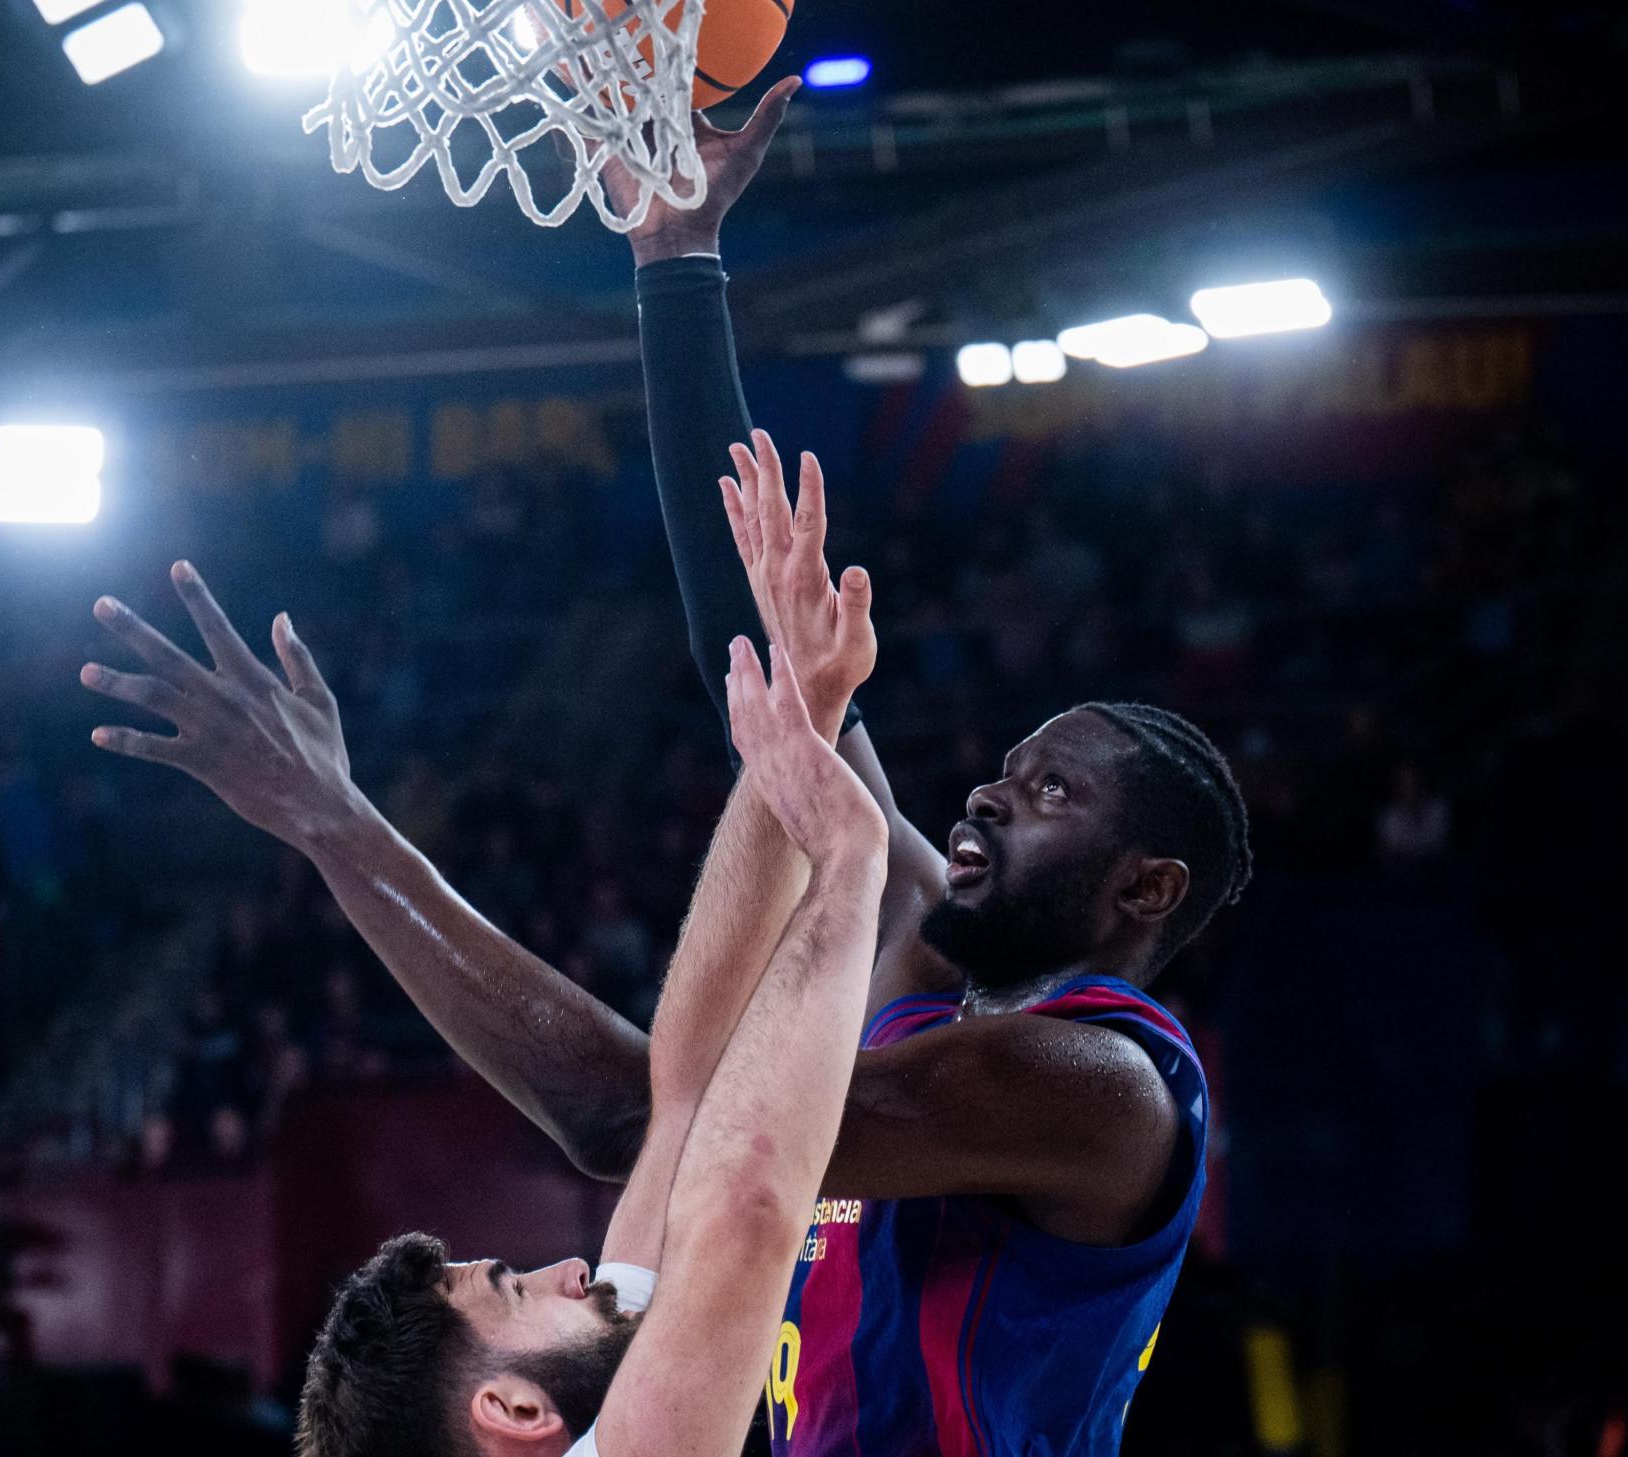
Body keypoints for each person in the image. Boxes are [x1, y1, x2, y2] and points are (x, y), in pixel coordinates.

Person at [82, 94, 1251, 1457]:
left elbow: (648, 1124)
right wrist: (675, 258)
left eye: (1050, 794)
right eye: (1003, 769)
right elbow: (751, 669)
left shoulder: (1099, 1085)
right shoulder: (936, 973)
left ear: (1143, 887)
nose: (987, 795)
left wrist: (338, 827)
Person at [83, 569, 890, 1457]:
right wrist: (848, 863)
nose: (572, 1268)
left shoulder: (597, 1397)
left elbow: (687, 1089)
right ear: (510, 1410)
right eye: (514, 1286)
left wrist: (807, 705)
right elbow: (744, 1200)